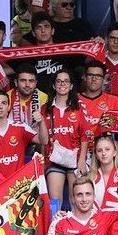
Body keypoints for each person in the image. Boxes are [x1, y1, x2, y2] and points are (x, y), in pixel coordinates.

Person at [47, 177, 118, 235]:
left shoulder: (105, 216)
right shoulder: (60, 222)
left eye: (88, 194)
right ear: (73, 198)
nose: (84, 199)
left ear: (94, 196)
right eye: (79, 195)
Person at [0, 90, 48, 177]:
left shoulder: (21, 127)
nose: (0, 106)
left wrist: (41, 122)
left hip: (19, 183)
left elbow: (43, 141)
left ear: (8, 107)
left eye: (4, 103)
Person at [44, 70, 88, 203]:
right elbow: (42, 138)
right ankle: (55, 219)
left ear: (71, 86)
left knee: (77, 200)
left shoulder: (79, 108)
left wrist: (81, 161)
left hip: (75, 159)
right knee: (55, 200)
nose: (62, 84)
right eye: (58, 81)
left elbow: (85, 136)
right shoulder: (45, 109)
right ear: (53, 85)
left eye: (66, 81)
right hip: (53, 160)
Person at [90, 135, 118, 210]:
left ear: (114, 152)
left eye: (107, 149)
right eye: (99, 150)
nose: (103, 153)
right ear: (96, 155)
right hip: (96, 216)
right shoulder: (90, 178)